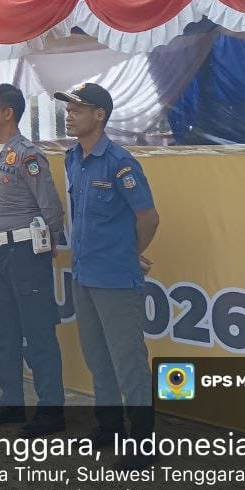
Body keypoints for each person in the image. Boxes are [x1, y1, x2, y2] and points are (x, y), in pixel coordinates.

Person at [56, 82, 160, 466]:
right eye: (68, 109)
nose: (69, 116)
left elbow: (148, 217)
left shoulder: (119, 162)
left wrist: (129, 254)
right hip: (84, 273)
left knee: (128, 360)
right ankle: (109, 427)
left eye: (77, 109)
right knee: (97, 357)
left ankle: (143, 442)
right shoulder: (73, 158)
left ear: (99, 115)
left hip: (115, 278)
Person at [0, 83, 66, 436]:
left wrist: (47, 246)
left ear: (8, 112)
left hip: (26, 251)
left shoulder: (28, 155)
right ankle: (11, 401)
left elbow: (50, 206)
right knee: (4, 330)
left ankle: (51, 410)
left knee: (38, 332)